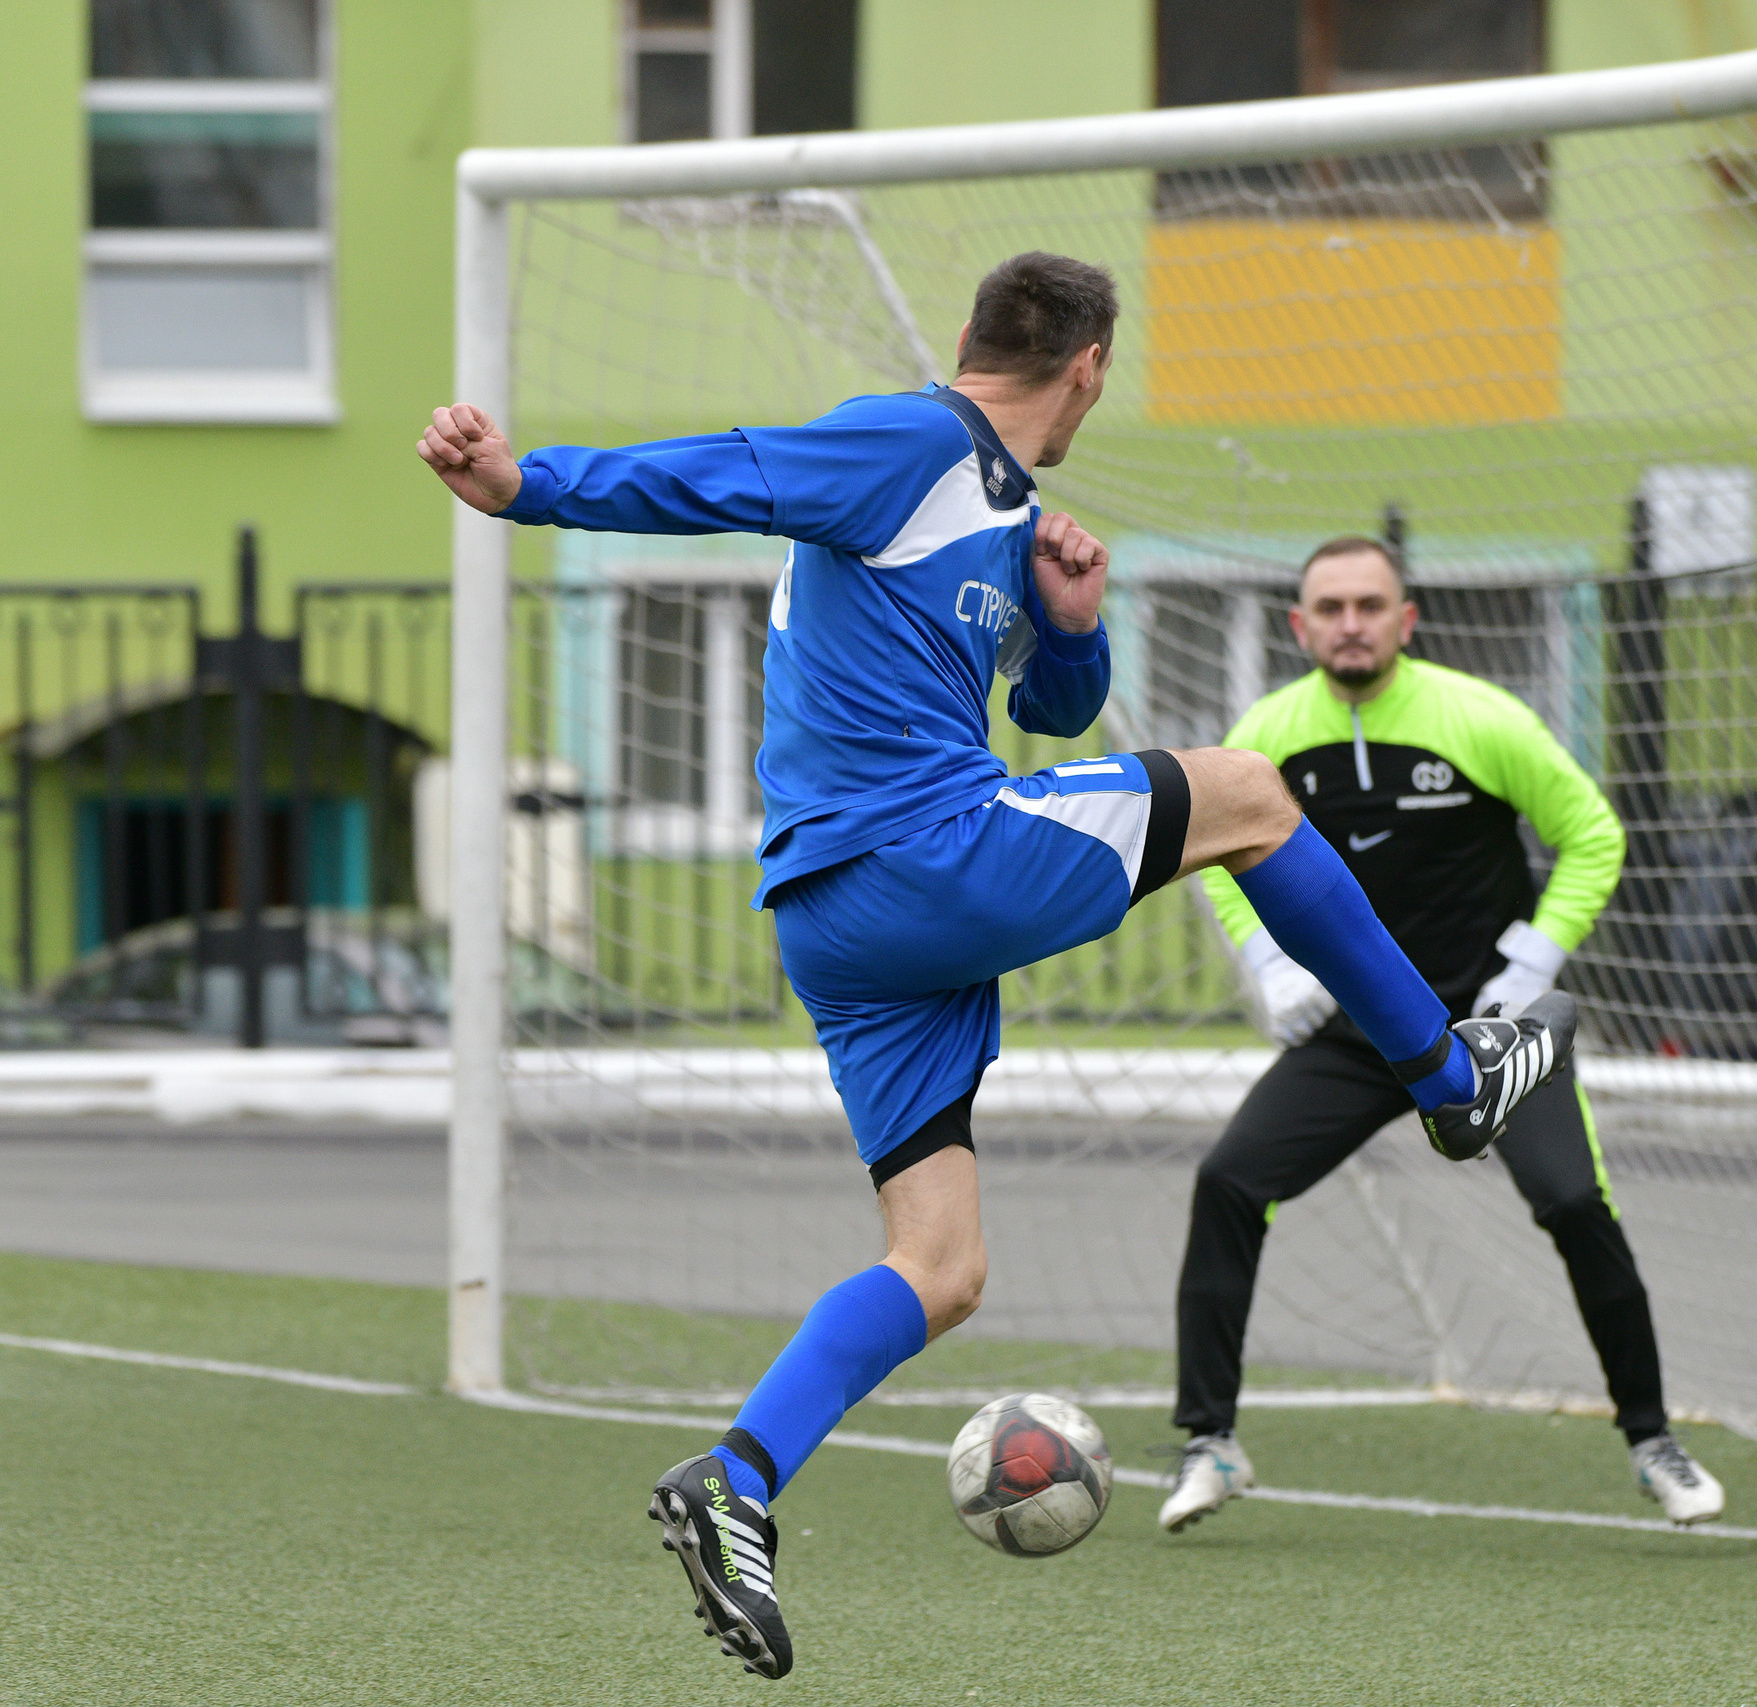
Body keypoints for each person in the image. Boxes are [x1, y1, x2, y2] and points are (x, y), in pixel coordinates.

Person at [415, 253, 1574, 1680]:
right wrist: (528, 485)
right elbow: (726, 470)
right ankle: (1453, 1077)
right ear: (1088, 365)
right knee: (1252, 793)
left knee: (943, 1265)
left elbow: (1047, 708)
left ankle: (736, 1480)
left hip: (848, 921)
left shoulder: (1010, 511)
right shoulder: (909, 441)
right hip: (912, 856)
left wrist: (1076, 624)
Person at [1154, 535, 1723, 1535]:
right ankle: (1209, 1444)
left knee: (1573, 1204)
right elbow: (1219, 853)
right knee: (1228, 1183)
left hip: (1489, 1030)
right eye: (1328, 608)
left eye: (1369, 605)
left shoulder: (1479, 717)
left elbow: (1593, 833)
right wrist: (1268, 963)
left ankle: (1651, 1441)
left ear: (1405, 619)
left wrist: (1534, 959)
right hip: (1351, 1032)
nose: (1350, 623)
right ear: (1299, 626)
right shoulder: (1268, 735)